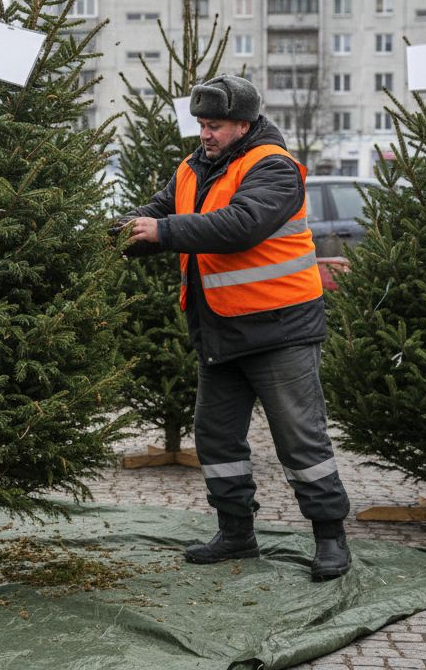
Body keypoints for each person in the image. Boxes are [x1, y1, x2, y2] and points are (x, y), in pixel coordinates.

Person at [119, 75, 352, 581]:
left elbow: (239, 225)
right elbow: (159, 212)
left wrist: (164, 231)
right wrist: (120, 232)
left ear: (244, 125)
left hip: (280, 330)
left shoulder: (273, 167)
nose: (205, 134)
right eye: (201, 124)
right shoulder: (191, 167)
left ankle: (330, 539)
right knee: (218, 437)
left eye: (216, 126)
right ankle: (236, 534)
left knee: (301, 441)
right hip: (220, 330)